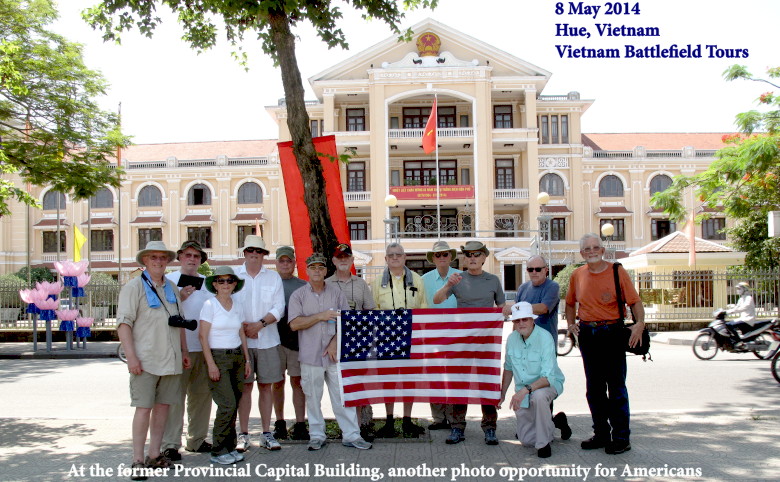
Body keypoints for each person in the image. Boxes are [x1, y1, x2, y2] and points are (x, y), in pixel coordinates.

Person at [565, 233, 645, 455]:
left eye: (595, 247)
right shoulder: (577, 275)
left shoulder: (617, 271)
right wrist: (571, 325)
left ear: (602, 250)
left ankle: (621, 437)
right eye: (586, 249)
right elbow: (570, 303)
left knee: (617, 387)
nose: (591, 251)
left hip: (612, 332)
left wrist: (640, 324)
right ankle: (601, 433)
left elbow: (635, 301)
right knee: (594, 389)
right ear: (581, 253)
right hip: (588, 335)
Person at [116, 241, 189, 480]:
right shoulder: (134, 287)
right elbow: (124, 324)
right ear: (145, 261)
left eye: (162, 257)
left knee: (163, 408)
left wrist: (184, 352)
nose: (158, 261)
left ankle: (154, 454)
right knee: (143, 409)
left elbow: (179, 323)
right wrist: (131, 357)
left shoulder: (171, 288)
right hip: (146, 359)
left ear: (167, 261)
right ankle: (137, 459)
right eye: (153, 257)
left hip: (171, 359)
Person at [289, 254, 372, 451]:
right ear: (306, 270)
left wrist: (335, 342)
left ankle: (351, 435)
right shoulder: (298, 295)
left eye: (320, 267)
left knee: (342, 396)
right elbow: (294, 324)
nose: (317, 270)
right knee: (313, 397)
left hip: (335, 355)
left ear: (326, 270)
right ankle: (317, 435)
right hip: (310, 355)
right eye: (313, 267)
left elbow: (347, 322)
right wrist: (320, 316)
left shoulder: (336, 293)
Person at [433, 240, 513, 445]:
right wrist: (448, 284)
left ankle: (490, 427)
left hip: (487, 342)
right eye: (468, 254)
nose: (472, 258)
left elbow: (502, 307)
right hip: (462, 342)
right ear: (464, 258)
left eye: (477, 254)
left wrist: (506, 309)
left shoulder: (493, 280)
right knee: (460, 384)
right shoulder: (457, 279)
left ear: (485, 257)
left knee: (487, 384)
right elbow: (437, 300)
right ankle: (457, 427)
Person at [161, 241, 214, 462]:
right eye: (188, 255)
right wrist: (180, 298)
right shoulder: (168, 281)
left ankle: (197, 439)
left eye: (196, 256)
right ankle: (170, 443)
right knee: (174, 397)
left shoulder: (208, 284)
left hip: (203, 347)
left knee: (201, 396)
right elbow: (159, 314)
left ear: (201, 260)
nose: (192, 259)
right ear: (180, 257)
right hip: (176, 347)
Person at [370, 242, 428, 438]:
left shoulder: (417, 280)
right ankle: (388, 421)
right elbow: (373, 310)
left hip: (411, 337)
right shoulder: (378, 282)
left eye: (398, 255)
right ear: (386, 259)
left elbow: (423, 309)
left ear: (404, 258)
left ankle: (407, 420)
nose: (395, 258)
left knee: (408, 380)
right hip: (386, 338)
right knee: (388, 380)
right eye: (391, 255)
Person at [235, 235, 285, 452]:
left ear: (264, 255)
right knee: (245, 388)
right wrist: (245, 327)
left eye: (259, 251)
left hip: (268, 341)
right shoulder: (234, 276)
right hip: (241, 342)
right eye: (250, 250)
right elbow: (227, 303)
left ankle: (266, 433)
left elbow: (279, 307)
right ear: (244, 253)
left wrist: (260, 325)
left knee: (266, 387)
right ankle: (243, 434)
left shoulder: (273, 278)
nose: (254, 254)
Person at [498, 302, 565, 458]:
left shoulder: (545, 337)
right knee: (526, 440)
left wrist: (524, 391)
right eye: (517, 320)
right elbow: (508, 368)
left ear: (532, 319)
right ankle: (556, 422)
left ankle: (543, 445)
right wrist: (502, 394)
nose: (521, 323)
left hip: (547, 385)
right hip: (524, 391)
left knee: (539, 397)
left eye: (525, 319)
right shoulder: (512, 339)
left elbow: (548, 378)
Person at [514, 254, 571, 440]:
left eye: (538, 269)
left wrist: (518, 308)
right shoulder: (523, 288)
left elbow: (544, 308)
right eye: (530, 269)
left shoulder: (552, 286)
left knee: (543, 389)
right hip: (524, 347)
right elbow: (517, 319)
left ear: (546, 270)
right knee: (526, 386)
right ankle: (544, 424)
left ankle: (546, 429)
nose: (534, 273)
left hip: (545, 346)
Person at [199, 266, 251, 465]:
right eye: (221, 281)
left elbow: (241, 333)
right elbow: (203, 336)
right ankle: (218, 450)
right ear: (215, 285)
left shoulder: (237, 304)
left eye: (229, 280)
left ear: (235, 284)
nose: (226, 284)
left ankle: (229, 447)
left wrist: (246, 360)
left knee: (235, 403)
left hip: (237, 356)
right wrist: (211, 364)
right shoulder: (209, 305)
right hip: (218, 357)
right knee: (226, 404)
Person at [325, 243, 377, 441]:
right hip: (332, 343)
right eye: (339, 257)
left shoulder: (361, 284)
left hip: (357, 342)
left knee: (358, 386)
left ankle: (360, 426)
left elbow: (370, 311)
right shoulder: (327, 284)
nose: (343, 260)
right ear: (334, 261)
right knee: (339, 389)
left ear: (352, 260)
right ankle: (346, 429)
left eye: (347, 257)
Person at [271, 246, 309, 441]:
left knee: (297, 383)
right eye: (281, 261)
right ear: (276, 263)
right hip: (273, 342)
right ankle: (279, 423)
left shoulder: (303, 285)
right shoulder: (269, 284)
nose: (285, 264)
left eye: (289, 261)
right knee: (276, 383)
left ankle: (301, 423)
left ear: (294, 263)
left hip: (296, 342)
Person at [420, 240, 458, 432]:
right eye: (438, 255)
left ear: (451, 256)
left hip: (455, 334)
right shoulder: (423, 280)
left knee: (452, 377)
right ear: (432, 258)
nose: (442, 258)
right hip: (432, 334)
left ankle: (453, 418)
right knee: (434, 376)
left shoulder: (460, 277)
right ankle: (438, 418)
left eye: (445, 254)